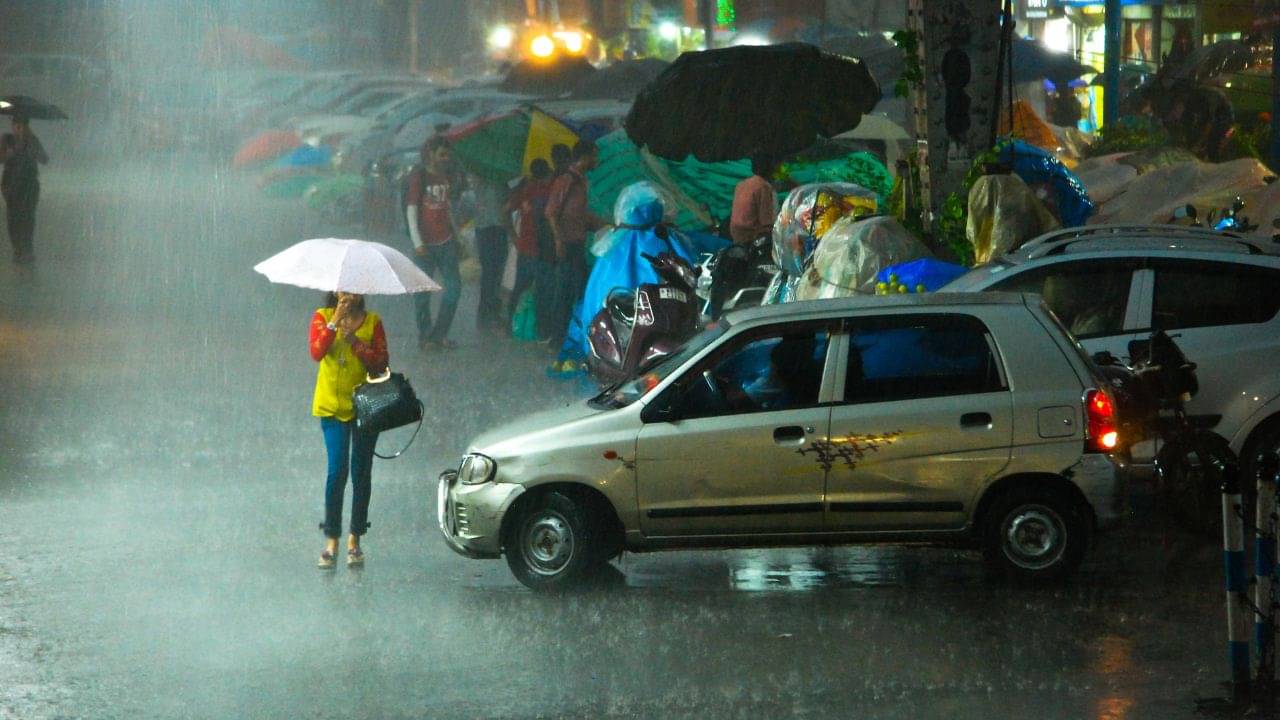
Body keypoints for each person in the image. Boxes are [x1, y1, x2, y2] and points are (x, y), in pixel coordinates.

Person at [308, 291, 389, 569]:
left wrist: (355, 341)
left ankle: (355, 538)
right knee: (337, 470)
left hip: (365, 408)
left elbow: (381, 362)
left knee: (361, 471)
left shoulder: (373, 322)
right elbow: (317, 352)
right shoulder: (322, 317)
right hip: (331, 406)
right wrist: (335, 323)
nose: (348, 295)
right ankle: (331, 538)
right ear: (335, 292)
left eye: (353, 290)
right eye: (343, 290)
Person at [544, 140, 606, 349]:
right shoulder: (566, 181)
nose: (596, 160)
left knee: (576, 290)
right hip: (567, 245)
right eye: (594, 156)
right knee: (566, 292)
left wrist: (607, 224)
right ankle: (559, 339)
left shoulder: (580, 182)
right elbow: (551, 212)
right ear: (585, 157)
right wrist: (558, 241)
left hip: (576, 244)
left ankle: (571, 336)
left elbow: (580, 215)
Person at [405, 136, 462, 351]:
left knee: (454, 288)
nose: (445, 159)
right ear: (431, 154)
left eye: (447, 155)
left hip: (446, 241)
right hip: (424, 245)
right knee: (422, 293)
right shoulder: (419, 177)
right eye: (442, 155)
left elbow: (447, 208)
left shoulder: (445, 176)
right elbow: (411, 211)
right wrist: (417, 242)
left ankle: (440, 333)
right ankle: (425, 336)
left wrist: (457, 236)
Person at [504, 158, 553, 330]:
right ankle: (539, 327)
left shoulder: (525, 189)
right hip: (542, 249)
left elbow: (506, 210)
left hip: (525, 247)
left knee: (520, 287)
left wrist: (514, 237)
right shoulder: (549, 190)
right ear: (547, 172)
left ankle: (510, 323)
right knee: (542, 290)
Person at [0, 115, 49, 267]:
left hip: (29, 185)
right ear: (13, 126)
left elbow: (44, 159)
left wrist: (34, 151)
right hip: (11, 186)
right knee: (13, 218)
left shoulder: (32, 141)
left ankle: (27, 249)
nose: (20, 129)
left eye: (23, 126)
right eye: (17, 126)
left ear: (27, 127)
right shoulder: (7, 139)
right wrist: (7, 155)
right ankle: (18, 249)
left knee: (28, 217)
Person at [471, 174, 510, 332]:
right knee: (492, 273)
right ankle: (489, 311)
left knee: (492, 273)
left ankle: (487, 311)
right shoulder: (496, 182)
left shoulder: (481, 181)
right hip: (492, 228)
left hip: (489, 228)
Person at [730, 154, 778, 245]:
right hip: (751, 236)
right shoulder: (764, 187)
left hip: (735, 234)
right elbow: (767, 221)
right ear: (771, 168)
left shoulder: (740, 184)